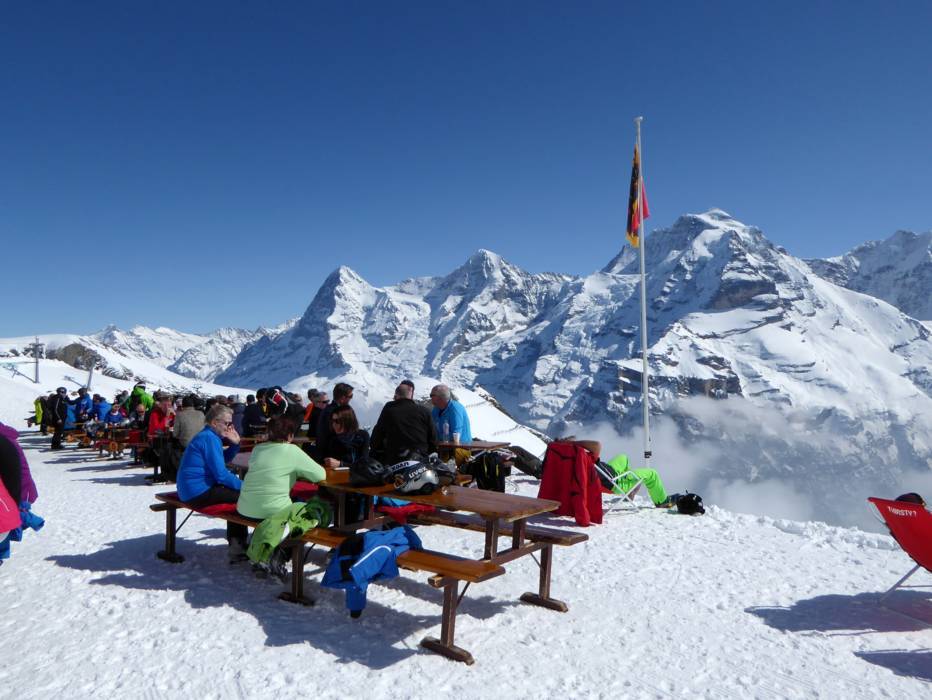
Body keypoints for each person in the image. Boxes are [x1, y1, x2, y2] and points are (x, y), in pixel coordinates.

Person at [175, 404, 246, 556]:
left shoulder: (208, 436)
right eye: (227, 423)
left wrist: (235, 445)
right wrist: (246, 486)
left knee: (237, 493)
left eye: (231, 424)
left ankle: (237, 543)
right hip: (197, 492)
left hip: (190, 490)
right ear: (214, 422)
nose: (230, 427)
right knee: (243, 497)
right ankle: (237, 546)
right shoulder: (209, 438)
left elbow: (220, 461)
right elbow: (221, 475)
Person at [237, 416, 326, 520]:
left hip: (244, 509)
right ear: (290, 435)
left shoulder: (257, 449)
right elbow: (320, 475)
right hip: (274, 513)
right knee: (311, 509)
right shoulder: (292, 450)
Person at [370, 381, 437, 465]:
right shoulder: (424, 411)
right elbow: (433, 439)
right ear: (411, 396)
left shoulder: (389, 409)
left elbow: (376, 437)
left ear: (396, 395)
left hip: (395, 460)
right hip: (421, 460)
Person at [321, 405, 370, 469]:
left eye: (337, 421)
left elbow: (364, 463)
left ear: (347, 421)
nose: (334, 424)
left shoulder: (362, 436)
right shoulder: (332, 437)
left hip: (357, 474)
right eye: (332, 421)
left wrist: (341, 464)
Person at [316, 383, 354, 460]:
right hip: (333, 457)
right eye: (350, 396)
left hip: (326, 454)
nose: (351, 399)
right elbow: (340, 435)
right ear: (342, 398)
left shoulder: (328, 409)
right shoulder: (334, 412)